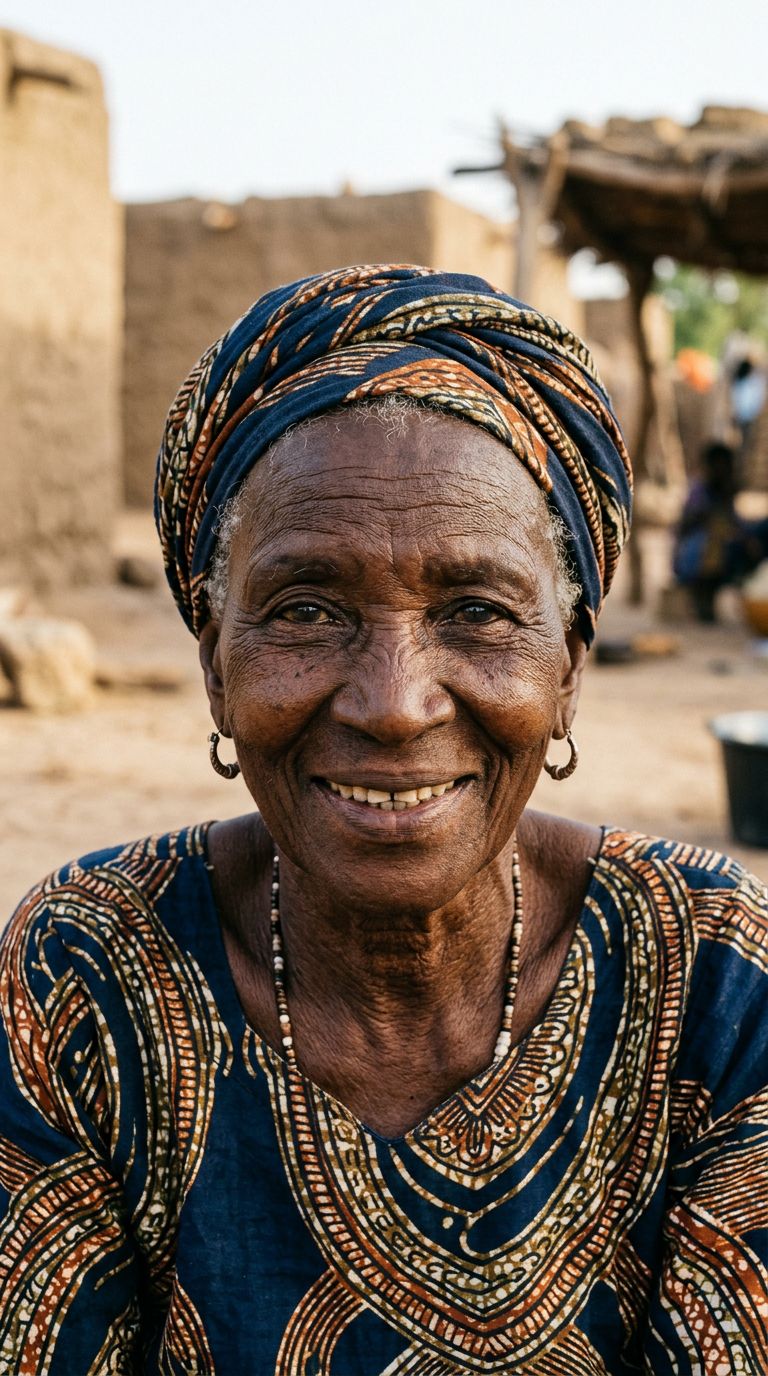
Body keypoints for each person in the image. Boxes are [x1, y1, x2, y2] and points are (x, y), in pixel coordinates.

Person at [1, 265, 766, 1375]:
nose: (395, 704)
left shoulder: (713, 977)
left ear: (568, 670)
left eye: (477, 611)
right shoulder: (85, 972)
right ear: (215, 666)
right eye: (307, 608)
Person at [673, 439, 768, 621]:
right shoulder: (700, 493)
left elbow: (736, 526)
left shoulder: (724, 494)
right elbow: (706, 524)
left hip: (714, 553)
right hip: (694, 561)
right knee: (718, 541)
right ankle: (703, 596)